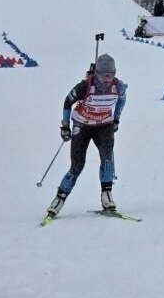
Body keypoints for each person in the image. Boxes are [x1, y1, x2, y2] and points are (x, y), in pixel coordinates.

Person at [45, 54, 128, 219]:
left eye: (111, 75)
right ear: (96, 73)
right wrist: (65, 126)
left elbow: (122, 100)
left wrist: (116, 118)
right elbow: (68, 102)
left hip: (104, 126)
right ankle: (59, 200)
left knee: (108, 159)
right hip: (82, 126)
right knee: (77, 165)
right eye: (104, 75)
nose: (107, 79)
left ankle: (107, 197)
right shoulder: (84, 86)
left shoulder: (118, 86)